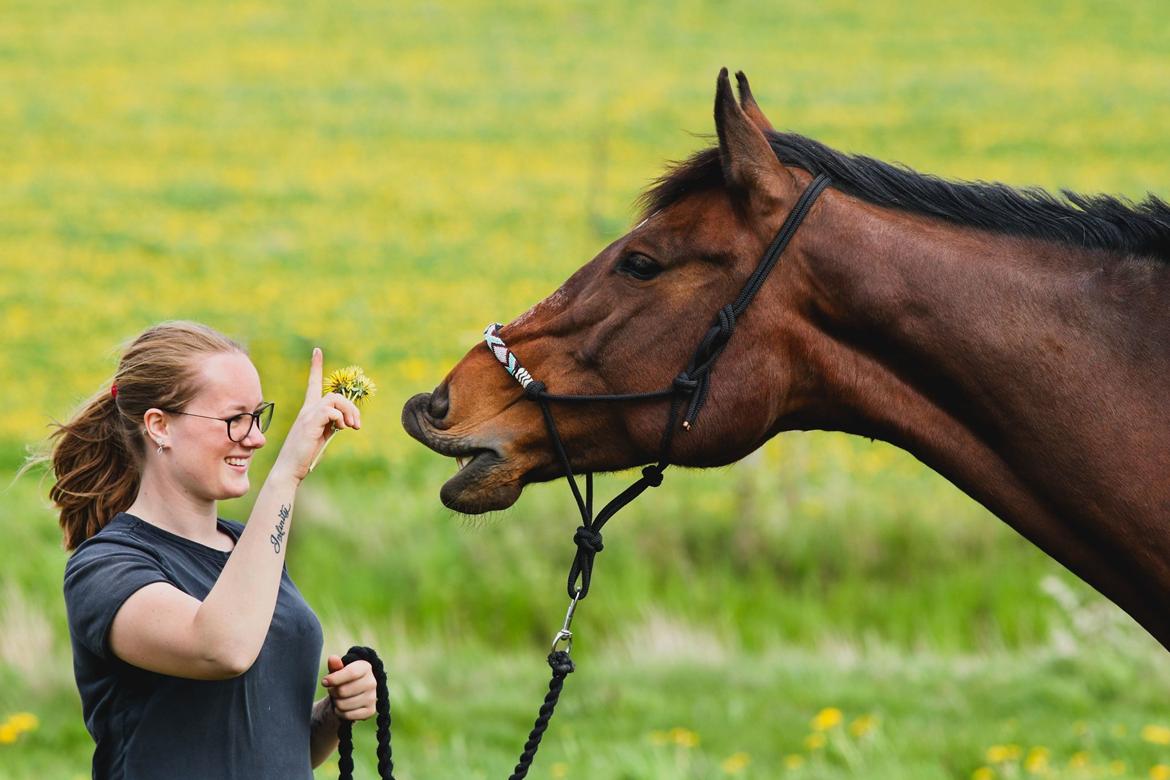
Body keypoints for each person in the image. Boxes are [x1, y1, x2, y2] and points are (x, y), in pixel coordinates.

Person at [48, 320, 377, 778]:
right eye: (233, 419)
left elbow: (272, 749)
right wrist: (286, 474)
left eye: (257, 416)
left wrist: (333, 715)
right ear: (160, 426)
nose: (256, 437)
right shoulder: (105, 567)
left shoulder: (247, 546)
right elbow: (222, 648)